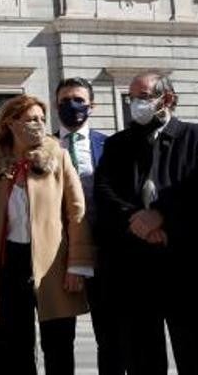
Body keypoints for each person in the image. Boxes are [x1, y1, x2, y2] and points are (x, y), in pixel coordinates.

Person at [94, 71, 198, 375]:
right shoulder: (118, 145)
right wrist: (134, 218)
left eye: (142, 97)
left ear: (166, 99)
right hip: (134, 267)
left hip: (185, 266)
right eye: (131, 98)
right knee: (142, 358)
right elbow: (105, 190)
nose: (134, 105)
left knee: (196, 355)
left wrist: (162, 216)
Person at [0, 95, 91, 375]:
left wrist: (77, 265)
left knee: (58, 344)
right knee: (16, 346)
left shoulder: (58, 156)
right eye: (31, 119)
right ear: (12, 123)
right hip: (9, 263)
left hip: (52, 263)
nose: (39, 125)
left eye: (42, 119)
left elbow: (77, 214)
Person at [53, 76, 119, 375]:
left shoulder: (111, 146)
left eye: (78, 99)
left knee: (111, 336)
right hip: (59, 255)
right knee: (58, 339)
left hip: (105, 252)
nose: (72, 105)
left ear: (92, 105)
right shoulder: (45, 147)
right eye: (65, 100)